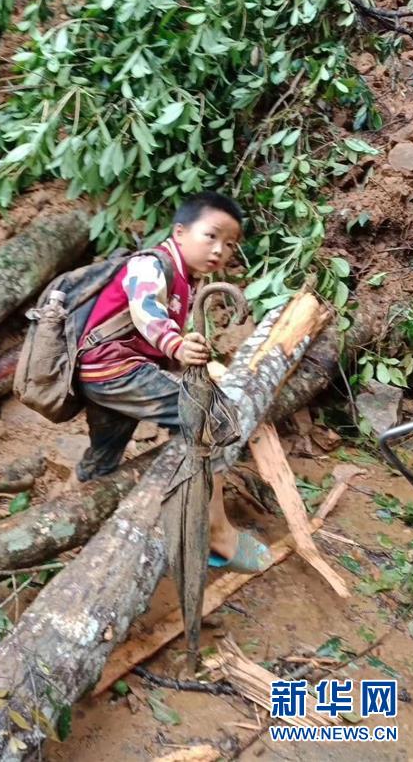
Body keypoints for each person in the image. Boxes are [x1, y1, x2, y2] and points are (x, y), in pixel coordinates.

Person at [75, 190, 272, 573]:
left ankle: (76, 523)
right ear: (180, 232)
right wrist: (177, 345)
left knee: (104, 456)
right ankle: (216, 532)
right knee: (209, 421)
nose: (219, 250)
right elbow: (146, 310)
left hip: (109, 374)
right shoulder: (151, 265)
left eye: (229, 244)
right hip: (118, 372)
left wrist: (180, 361)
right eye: (211, 235)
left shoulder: (187, 279)